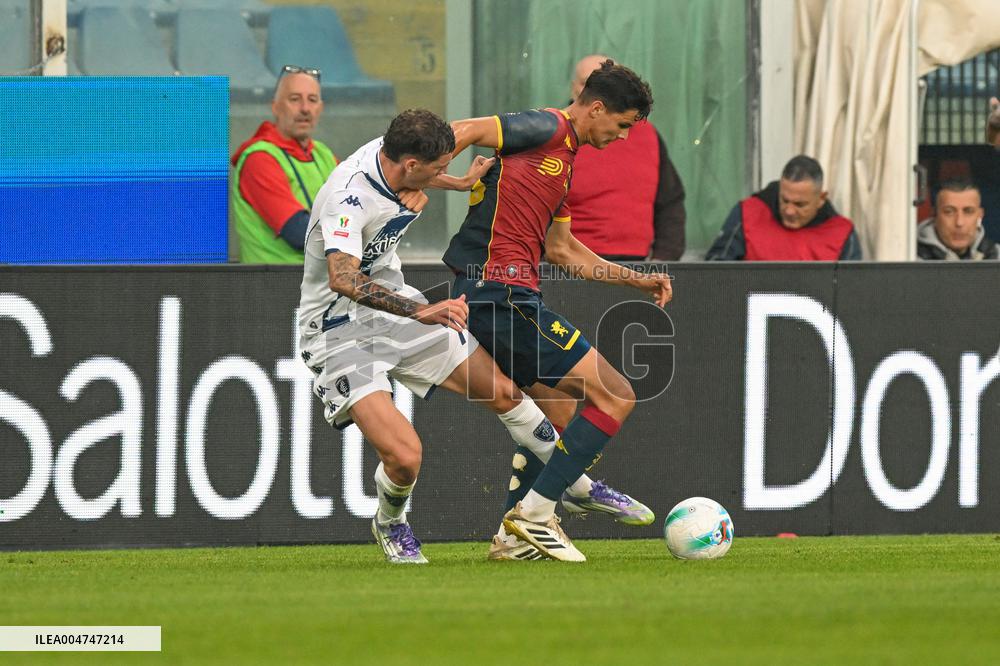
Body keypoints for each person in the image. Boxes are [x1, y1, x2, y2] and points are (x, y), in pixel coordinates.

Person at [299, 108, 574, 564]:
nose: (442, 173)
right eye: (439, 168)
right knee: (406, 457)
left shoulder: (392, 158)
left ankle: (577, 486)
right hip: (337, 330)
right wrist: (422, 309)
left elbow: (417, 179)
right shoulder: (347, 198)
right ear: (410, 165)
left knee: (504, 392)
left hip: (394, 310)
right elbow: (343, 279)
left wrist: (460, 183)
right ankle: (390, 522)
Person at [440, 60, 672, 562]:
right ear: (596, 108)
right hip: (498, 292)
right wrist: (433, 183)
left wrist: (637, 277)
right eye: (623, 124)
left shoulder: (563, 162)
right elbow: (463, 130)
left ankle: (510, 540)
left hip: (503, 294)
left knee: (560, 408)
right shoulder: (547, 127)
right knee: (614, 395)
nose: (624, 136)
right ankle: (537, 514)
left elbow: (564, 252)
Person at [565, 54, 686, 261]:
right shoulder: (556, 133)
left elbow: (670, 203)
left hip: (636, 264)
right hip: (569, 266)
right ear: (573, 88)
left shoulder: (648, 135)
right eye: (588, 83)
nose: (597, 93)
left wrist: (662, 261)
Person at [233, 66, 338, 264]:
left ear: (320, 108)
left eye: (312, 100)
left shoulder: (323, 154)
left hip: (322, 284)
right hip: (275, 285)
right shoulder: (259, 159)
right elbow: (299, 233)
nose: (305, 108)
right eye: (295, 99)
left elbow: (363, 202)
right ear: (275, 107)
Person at [705, 155, 861, 261]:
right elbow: (714, 274)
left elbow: (851, 297)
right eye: (784, 200)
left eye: (800, 204)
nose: (789, 211)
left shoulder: (842, 233)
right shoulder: (748, 213)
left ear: (821, 199)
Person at [917, 179, 998, 260]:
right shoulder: (911, 258)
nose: (959, 222)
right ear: (934, 215)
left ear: (980, 215)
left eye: (968, 211)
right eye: (949, 212)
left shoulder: (996, 255)